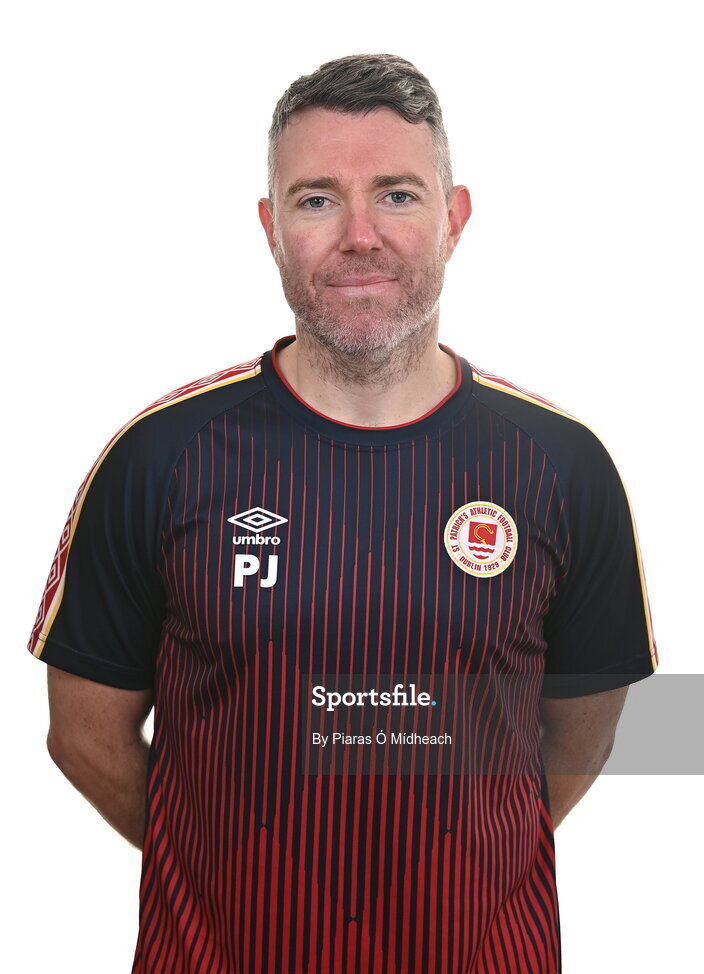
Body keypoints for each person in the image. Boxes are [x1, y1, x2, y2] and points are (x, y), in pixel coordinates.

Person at [27, 53, 658, 974]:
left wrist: (459, 868)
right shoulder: (159, 459)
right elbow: (83, 736)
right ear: (270, 228)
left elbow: (582, 735)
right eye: (316, 199)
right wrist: (225, 864)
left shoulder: (563, 469)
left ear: (455, 218)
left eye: (397, 195)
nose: (359, 234)